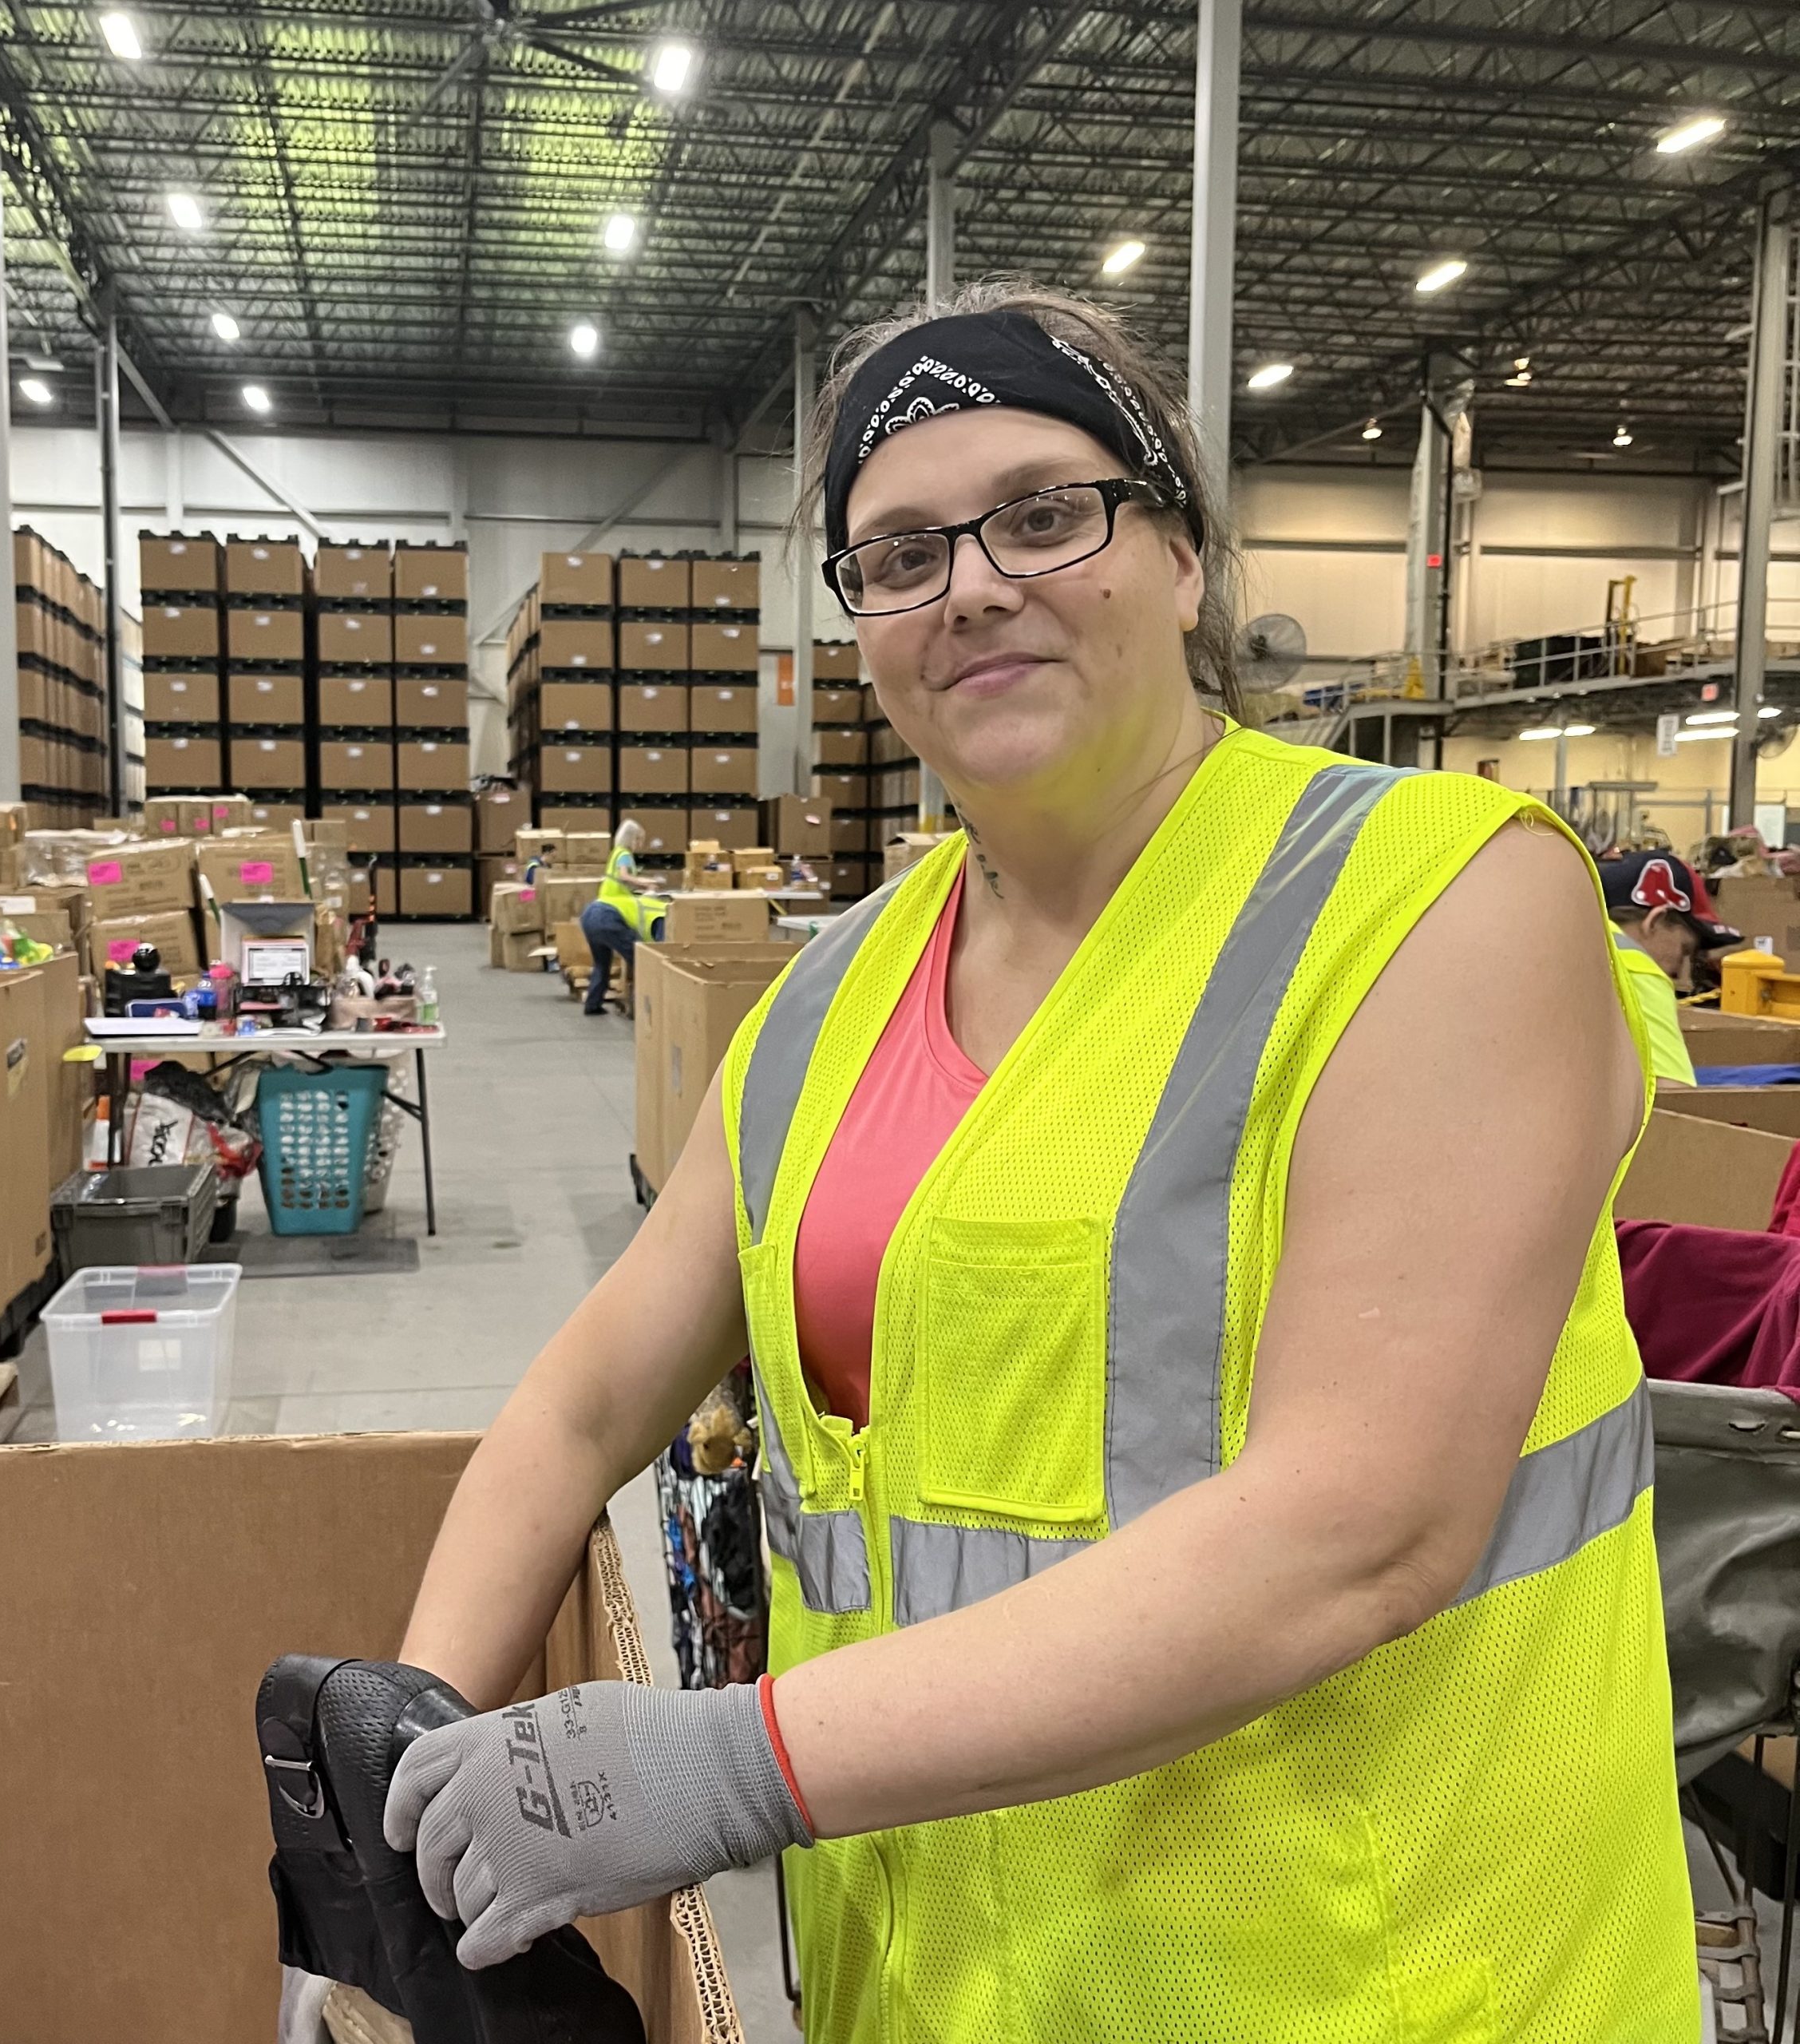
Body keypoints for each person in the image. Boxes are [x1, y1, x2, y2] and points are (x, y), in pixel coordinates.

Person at [382, 284, 1699, 2038]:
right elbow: (583, 1397)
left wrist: (725, 1758)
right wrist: (404, 1737)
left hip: (1374, 1980)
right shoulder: (829, 997)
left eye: (1041, 511)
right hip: (940, 1987)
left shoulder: (1437, 899)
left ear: (1178, 556)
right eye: (899, 550)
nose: (974, 584)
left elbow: (1353, 1525)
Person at [1599, 850, 1739, 1088]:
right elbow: (1673, 1096)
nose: (1679, 973)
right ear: (1654, 922)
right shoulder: (1636, 968)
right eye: (1685, 950)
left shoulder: (1563, 941)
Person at [578, 818, 664, 1015]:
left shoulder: (614, 853)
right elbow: (624, 876)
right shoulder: (625, 854)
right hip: (608, 917)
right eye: (639, 840)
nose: (640, 844)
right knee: (641, 958)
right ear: (632, 838)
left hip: (592, 912)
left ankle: (593, 1005)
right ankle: (645, 1008)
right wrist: (645, 883)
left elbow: (619, 882)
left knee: (601, 963)